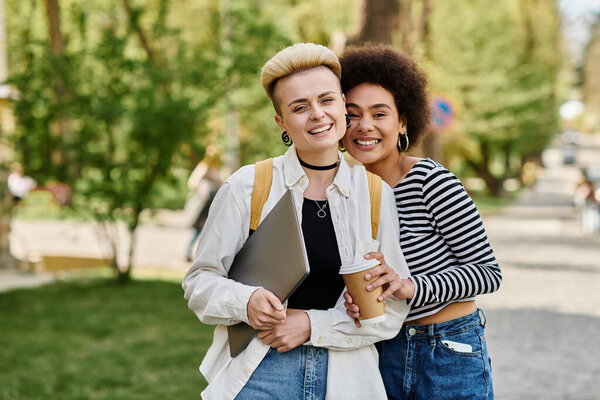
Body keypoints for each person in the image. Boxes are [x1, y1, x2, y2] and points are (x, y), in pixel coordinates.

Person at [182, 42, 411, 400]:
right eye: (300, 107)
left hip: (348, 380)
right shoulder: (247, 186)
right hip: (261, 374)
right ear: (282, 122)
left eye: (326, 100)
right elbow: (199, 283)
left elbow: (392, 311)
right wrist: (246, 300)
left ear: (342, 106)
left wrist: (310, 325)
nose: (317, 114)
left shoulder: (375, 194)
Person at [339, 44, 502, 400]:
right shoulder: (343, 194)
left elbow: (488, 273)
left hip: (446, 350)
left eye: (379, 113)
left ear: (402, 122)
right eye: (352, 114)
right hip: (381, 352)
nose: (364, 125)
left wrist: (410, 286)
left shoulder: (431, 181)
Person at [185, 145, 224, 261]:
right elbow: (192, 183)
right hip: (201, 204)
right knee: (197, 230)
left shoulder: (216, 168)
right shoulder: (203, 167)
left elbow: (221, 184)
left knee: (210, 231)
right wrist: (205, 187)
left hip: (211, 204)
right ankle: (188, 253)